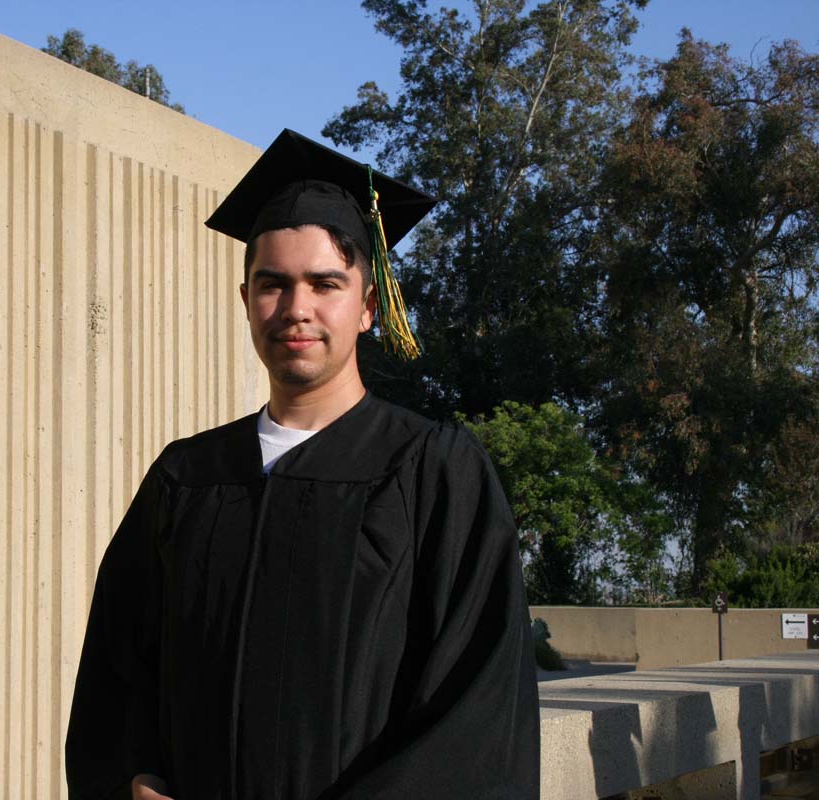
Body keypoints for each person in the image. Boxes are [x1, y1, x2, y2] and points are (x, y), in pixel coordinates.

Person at [65, 129, 539, 800]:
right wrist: (133, 776)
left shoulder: (432, 472)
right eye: (273, 285)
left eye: (325, 284)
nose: (296, 310)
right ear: (245, 300)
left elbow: (479, 708)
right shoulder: (186, 478)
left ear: (369, 306)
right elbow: (117, 673)